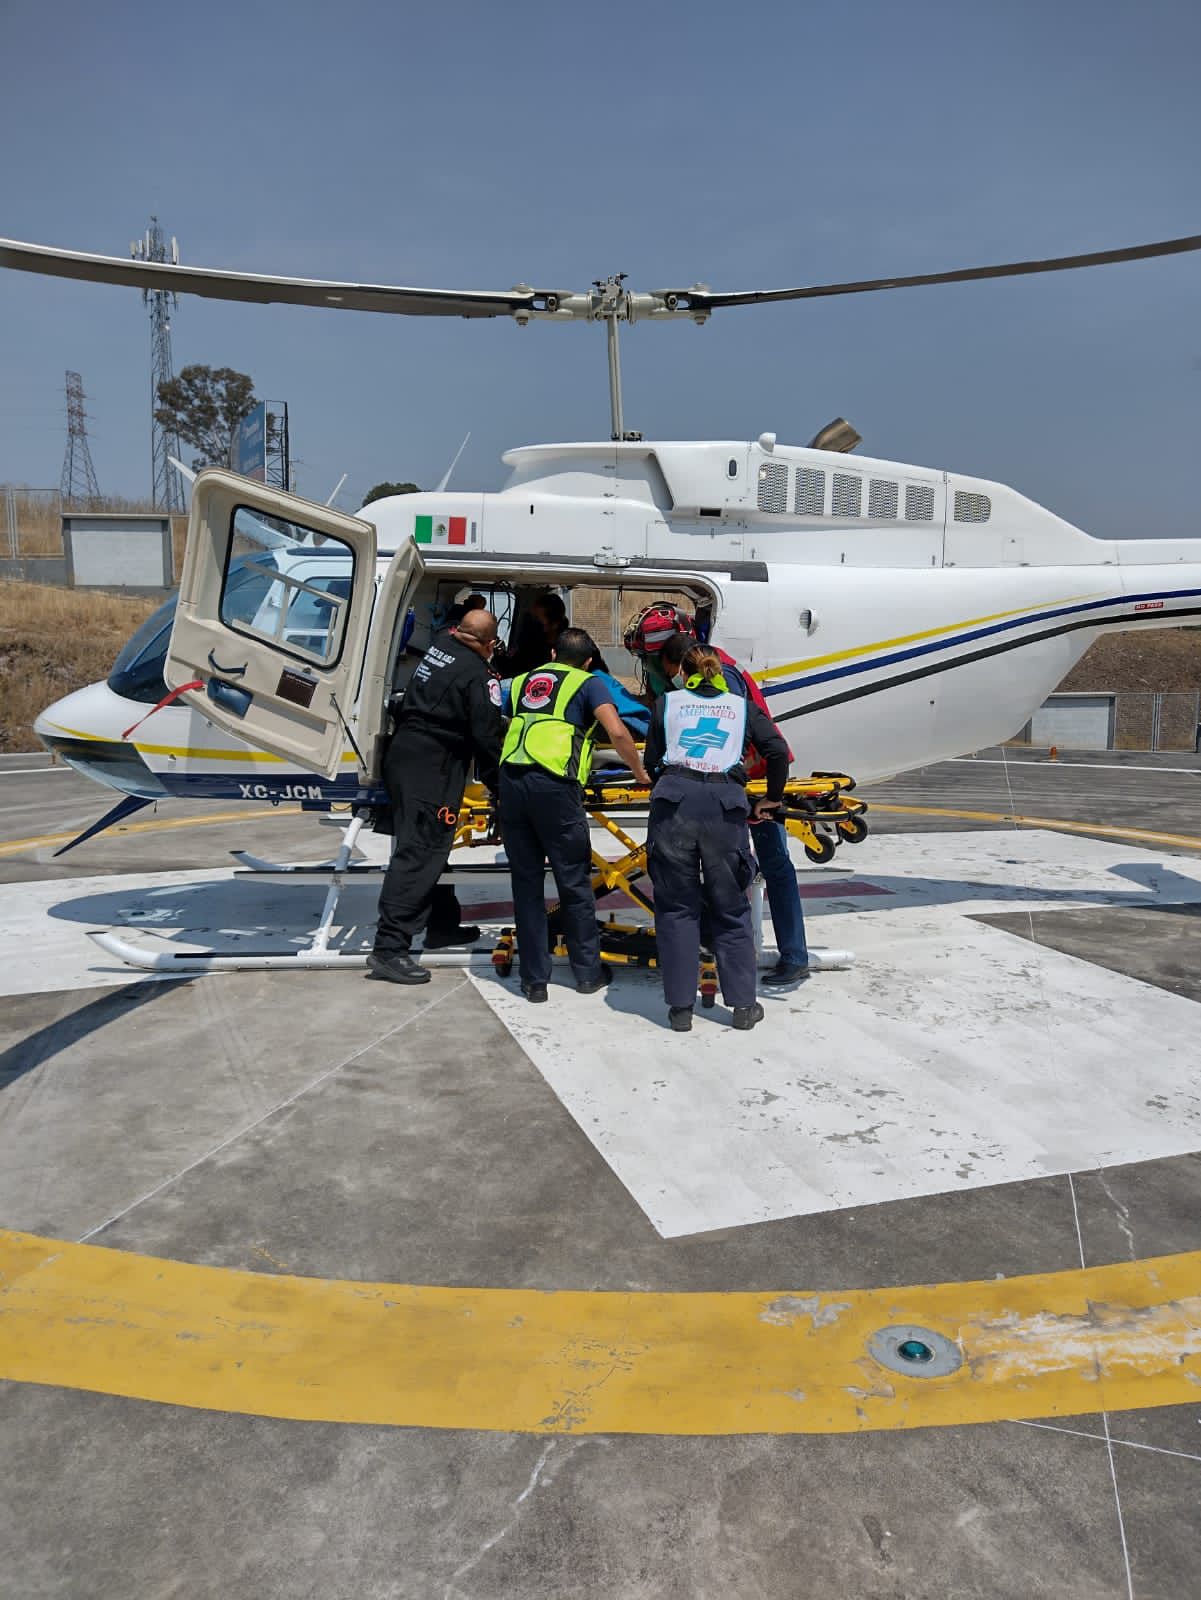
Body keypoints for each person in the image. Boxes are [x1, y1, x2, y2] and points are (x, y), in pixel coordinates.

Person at [499, 626, 650, 1003]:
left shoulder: (521, 682)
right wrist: (639, 772)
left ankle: (534, 981)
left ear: (552, 653)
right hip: (555, 787)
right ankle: (587, 973)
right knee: (574, 882)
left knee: (527, 886)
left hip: (512, 782)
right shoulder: (589, 683)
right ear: (587, 661)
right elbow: (616, 731)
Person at [644, 643, 790, 1032]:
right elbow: (777, 750)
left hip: (674, 803)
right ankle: (742, 1007)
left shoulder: (667, 702)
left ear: (683, 671)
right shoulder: (740, 706)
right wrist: (771, 799)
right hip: (725, 807)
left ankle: (679, 1011)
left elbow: (651, 762)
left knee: (676, 908)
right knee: (730, 907)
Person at [657, 630, 809, 986]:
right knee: (750, 865)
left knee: (765, 864)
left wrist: (768, 796)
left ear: (681, 665)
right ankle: (728, 945)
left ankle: (791, 956)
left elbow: (736, 737)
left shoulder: (721, 680)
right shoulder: (720, 667)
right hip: (744, 781)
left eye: (671, 674)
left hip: (748, 783)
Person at [369, 609, 503, 985]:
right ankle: (389, 948)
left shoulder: (440, 646)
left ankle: (442, 924)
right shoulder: (480, 675)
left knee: (431, 848)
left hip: (404, 754)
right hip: (433, 765)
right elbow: (487, 737)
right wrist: (501, 786)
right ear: (489, 644)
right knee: (419, 853)